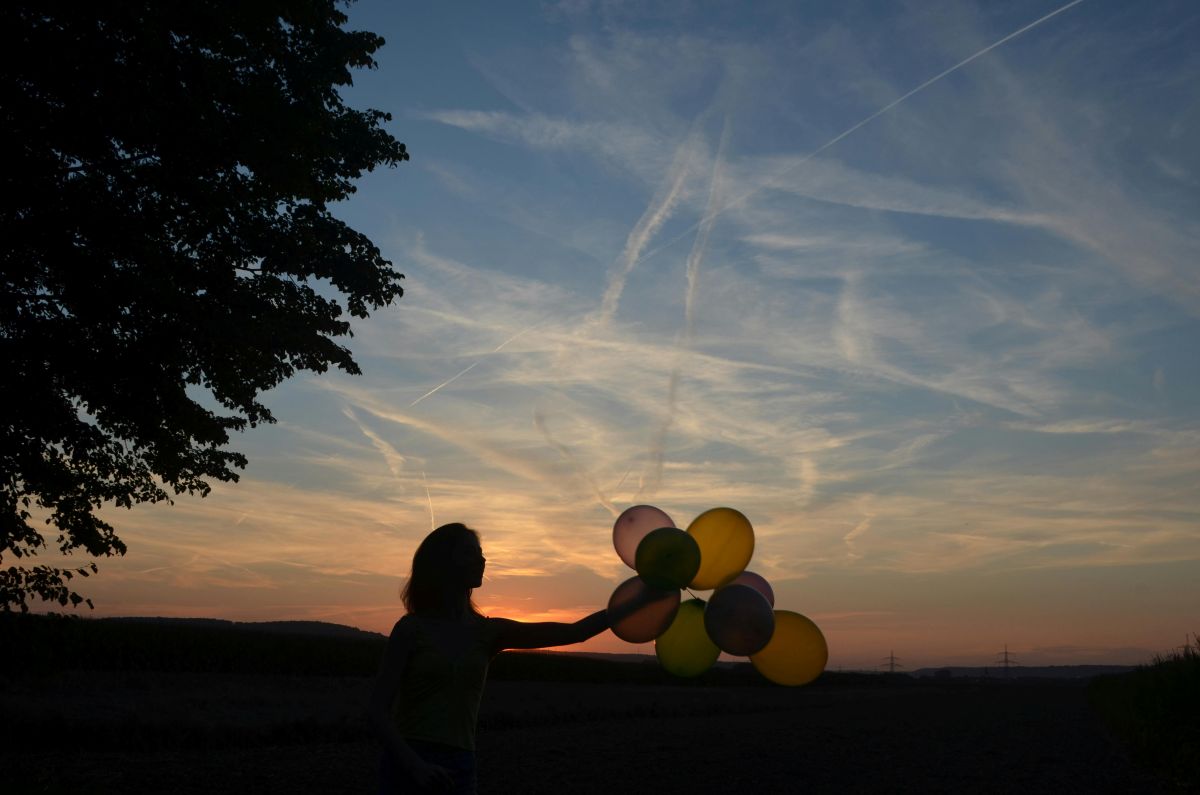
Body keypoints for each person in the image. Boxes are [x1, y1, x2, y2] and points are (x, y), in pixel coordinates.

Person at [368, 522, 615, 794]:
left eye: (481, 553)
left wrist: (635, 600)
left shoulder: (488, 632)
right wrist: (415, 766)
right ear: (443, 562)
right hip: (407, 767)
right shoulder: (410, 630)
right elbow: (377, 711)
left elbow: (576, 632)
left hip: (460, 767)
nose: (482, 560)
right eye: (469, 553)